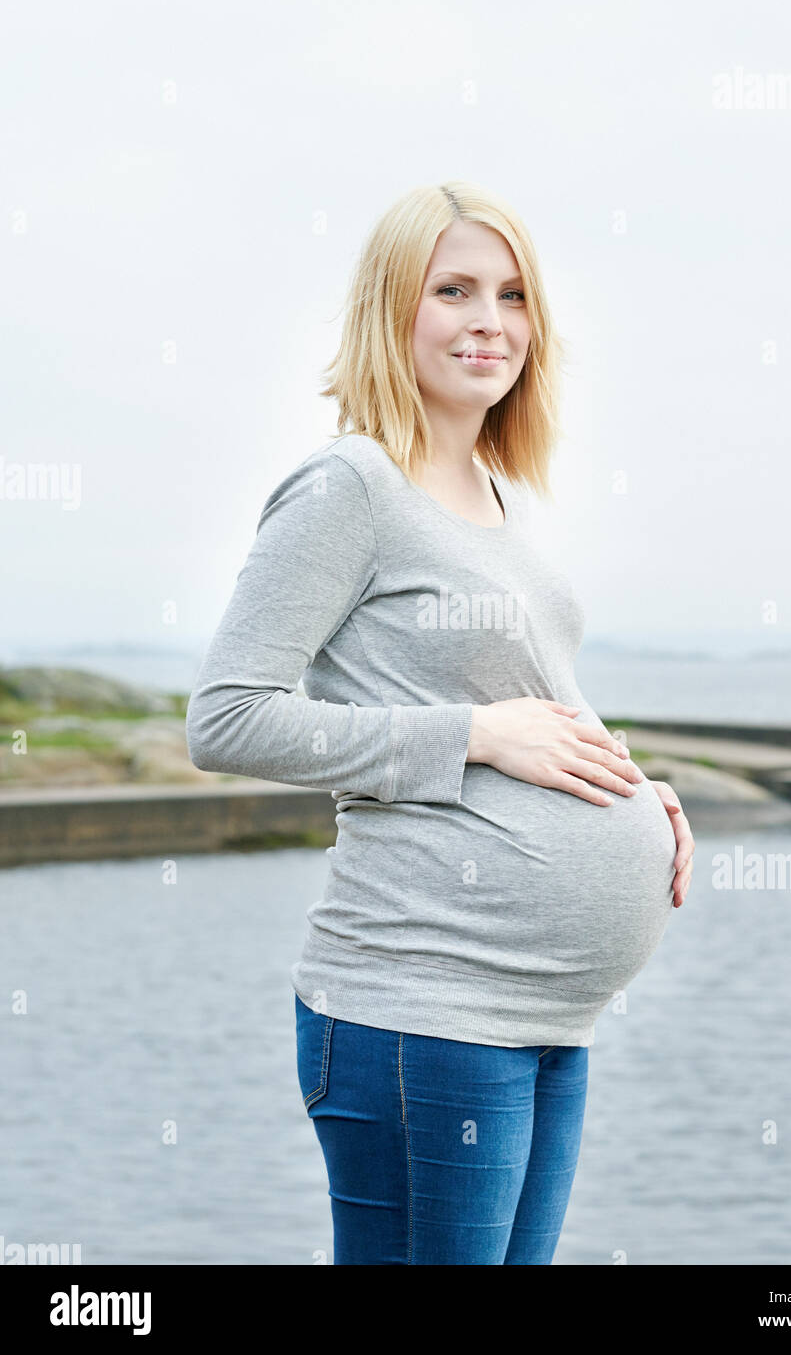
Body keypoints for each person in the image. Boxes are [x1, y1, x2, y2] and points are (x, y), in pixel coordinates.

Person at [185, 180, 695, 1265]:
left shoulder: (495, 495)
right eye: (453, 289)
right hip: (424, 1004)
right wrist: (467, 735)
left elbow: (530, 696)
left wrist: (632, 791)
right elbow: (228, 718)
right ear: (390, 309)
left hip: (549, 1013)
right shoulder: (349, 487)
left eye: (512, 296)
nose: (489, 321)